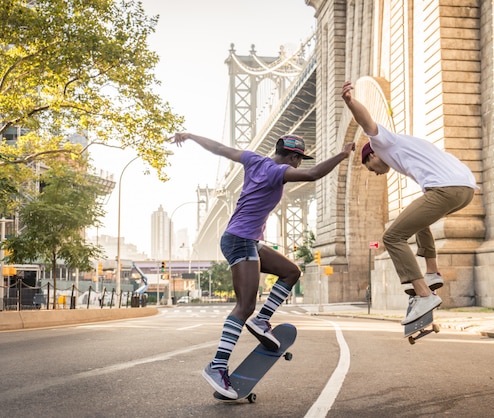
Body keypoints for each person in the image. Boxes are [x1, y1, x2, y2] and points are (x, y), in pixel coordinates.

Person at [172, 132, 354, 399]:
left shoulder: (253, 159)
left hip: (245, 240)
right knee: (243, 306)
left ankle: (262, 320)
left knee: (292, 272)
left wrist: (189, 136)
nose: (299, 165)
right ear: (294, 156)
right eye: (299, 159)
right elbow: (314, 175)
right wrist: (343, 154)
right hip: (241, 240)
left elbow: (219, 147)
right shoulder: (276, 172)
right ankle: (217, 366)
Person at [341, 80, 478, 326]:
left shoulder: (381, 143)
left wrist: (351, 102)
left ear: (370, 155)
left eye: (370, 169)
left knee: (392, 237)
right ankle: (432, 273)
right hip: (466, 190)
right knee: (416, 220)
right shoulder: (410, 144)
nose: (375, 174)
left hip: (445, 189)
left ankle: (424, 295)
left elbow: (366, 122)